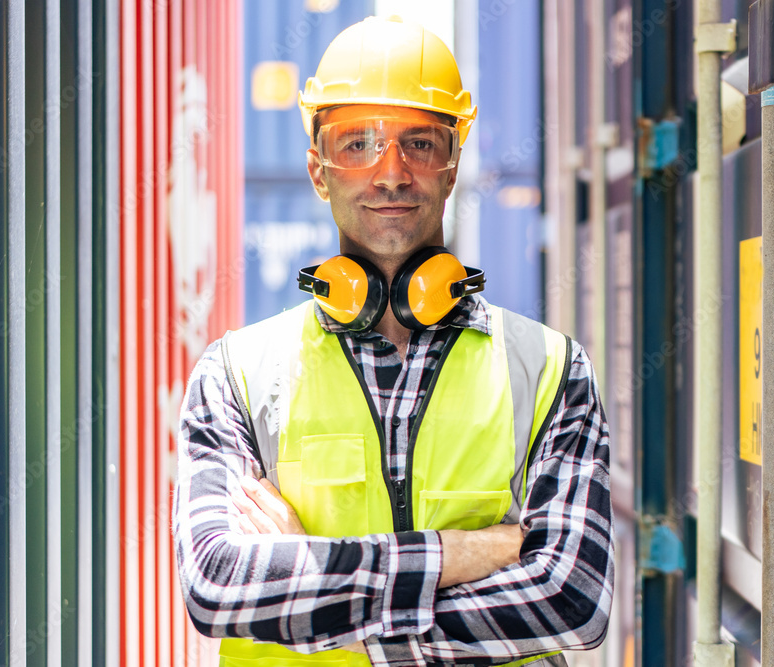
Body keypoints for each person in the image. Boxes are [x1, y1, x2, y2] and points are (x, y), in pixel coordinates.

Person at [173, 15, 613, 667]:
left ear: (453, 165)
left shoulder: (550, 370)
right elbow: (217, 586)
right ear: (318, 170)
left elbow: (572, 599)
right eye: (358, 144)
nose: (391, 173)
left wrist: (311, 575)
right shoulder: (234, 376)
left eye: (420, 144)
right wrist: (469, 552)